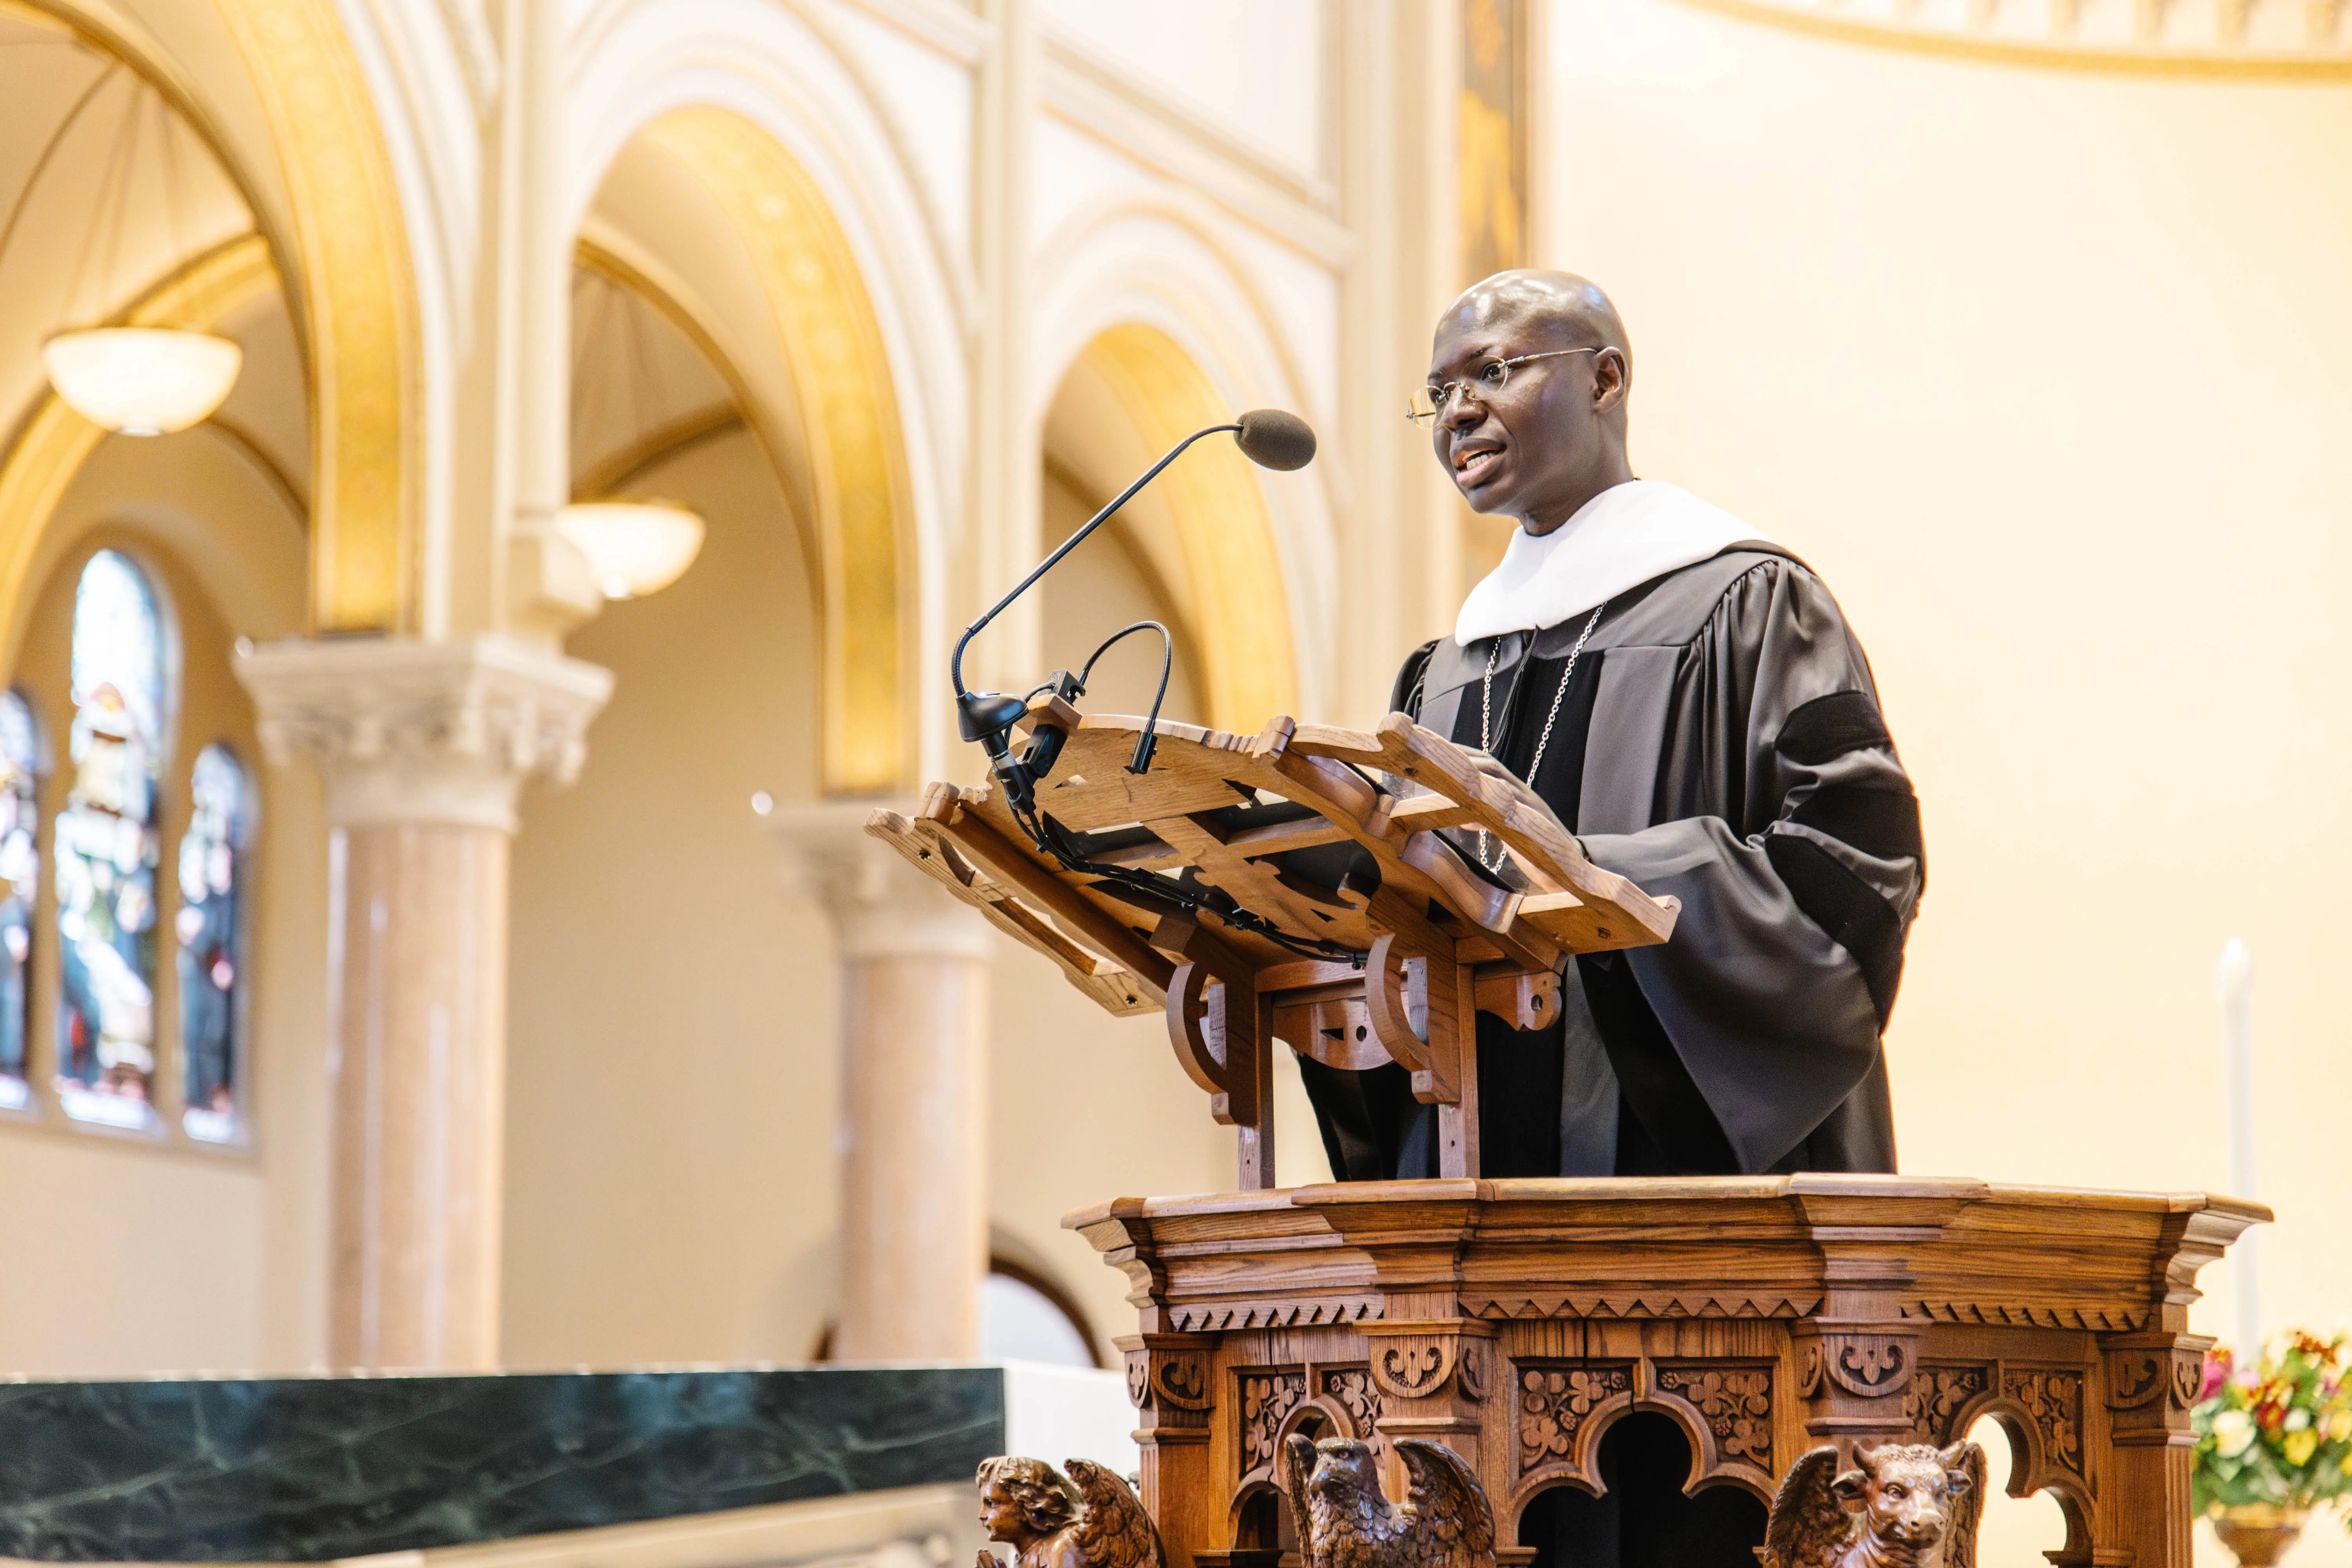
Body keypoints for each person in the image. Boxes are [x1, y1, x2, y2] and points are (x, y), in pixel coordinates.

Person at [1298, 270, 1923, 1181]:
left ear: (1606, 380)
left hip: (1687, 1203)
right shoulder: (1443, 672)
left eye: (1493, 371)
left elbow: (1854, 868)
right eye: (1438, 393)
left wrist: (1591, 873)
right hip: (1467, 1198)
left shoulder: (1749, 604)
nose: (1457, 413)